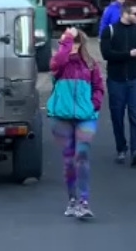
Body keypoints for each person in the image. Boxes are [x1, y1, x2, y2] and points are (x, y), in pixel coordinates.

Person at [47, 27, 105, 220]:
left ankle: (84, 202)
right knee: (68, 160)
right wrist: (67, 40)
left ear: (83, 44)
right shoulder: (59, 64)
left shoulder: (90, 65)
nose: (73, 45)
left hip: (85, 117)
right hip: (61, 117)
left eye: (77, 41)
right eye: (69, 41)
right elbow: (59, 61)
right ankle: (72, 199)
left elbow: (98, 87)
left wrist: (93, 105)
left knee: (82, 155)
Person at [100, 1, 136, 166]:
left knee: (135, 114)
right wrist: (128, 54)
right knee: (117, 116)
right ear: (125, 14)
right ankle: (121, 148)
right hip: (116, 80)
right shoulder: (110, 31)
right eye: (135, 14)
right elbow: (106, 54)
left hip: (135, 79)